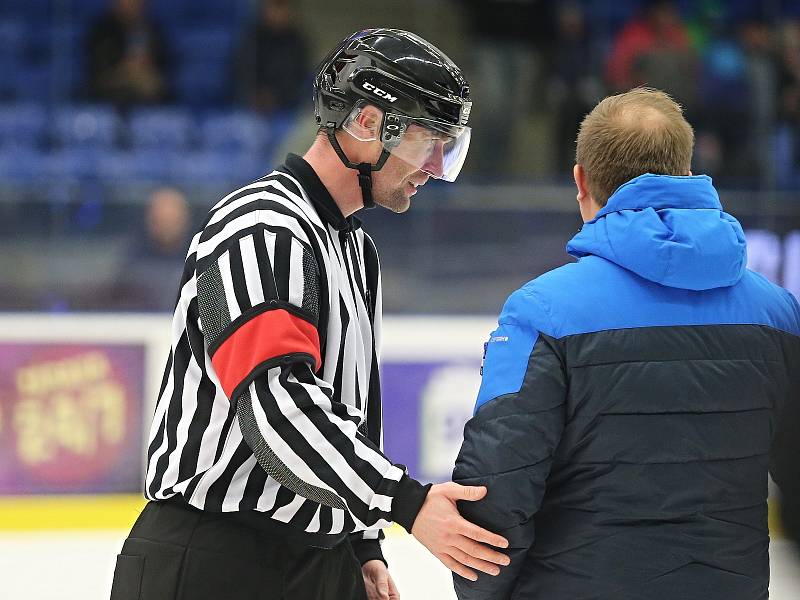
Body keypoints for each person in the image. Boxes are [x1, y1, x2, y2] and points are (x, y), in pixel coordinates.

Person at [110, 29, 509, 600]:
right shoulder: (262, 228)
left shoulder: (353, 246)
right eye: (429, 142)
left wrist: (360, 543)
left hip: (316, 560)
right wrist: (406, 504)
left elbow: (347, 407)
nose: (436, 167)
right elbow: (277, 409)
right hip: (215, 560)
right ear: (368, 123)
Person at [452, 88, 800, 599]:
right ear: (684, 173)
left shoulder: (541, 311)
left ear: (580, 182)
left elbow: (497, 485)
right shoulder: (779, 314)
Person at [85, 0, 170, 106]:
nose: (131, 5)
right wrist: (127, 69)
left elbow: (166, 65)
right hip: (108, 88)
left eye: (136, 2)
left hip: (148, 90)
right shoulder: (101, 31)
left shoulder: (154, 30)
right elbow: (97, 67)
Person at [234, 0, 310, 113]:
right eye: (273, 8)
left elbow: (299, 76)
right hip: (253, 105)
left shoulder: (297, 41)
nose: (276, 13)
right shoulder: (252, 38)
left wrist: (278, 97)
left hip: (288, 104)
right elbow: (243, 73)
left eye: (281, 8)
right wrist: (255, 96)